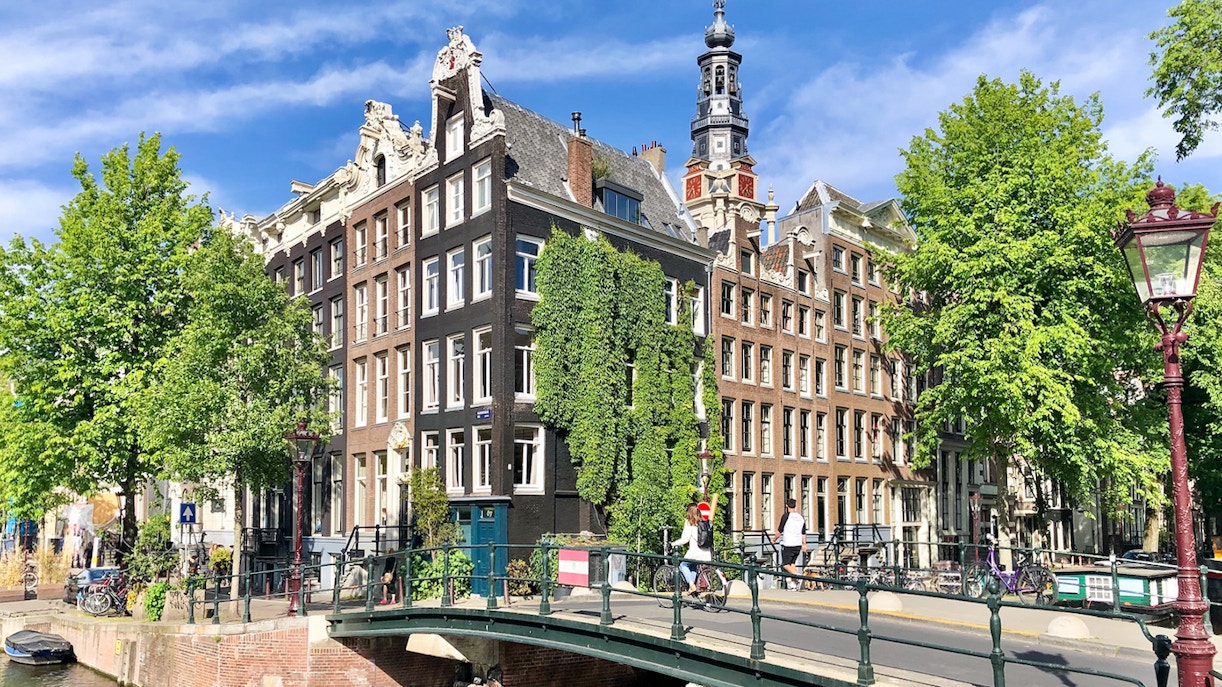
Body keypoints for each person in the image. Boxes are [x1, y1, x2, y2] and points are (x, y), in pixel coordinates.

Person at [672, 504, 712, 596]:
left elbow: (684, 539)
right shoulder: (704, 522)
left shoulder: (689, 523)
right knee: (693, 567)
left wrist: (673, 544)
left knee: (683, 565)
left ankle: (691, 585)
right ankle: (692, 586)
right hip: (706, 553)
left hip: (695, 553)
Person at [771, 498, 807, 591]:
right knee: (792, 564)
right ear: (795, 506)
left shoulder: (786, 516)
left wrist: (774, 539)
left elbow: (780, 531)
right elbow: (803, 533)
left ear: (787, 506)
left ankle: (798, 577)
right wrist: (804, 544)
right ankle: (794, 585)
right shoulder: (801, 517)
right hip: (798, 544)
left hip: (789, 544)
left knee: (785, 565)